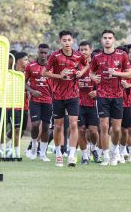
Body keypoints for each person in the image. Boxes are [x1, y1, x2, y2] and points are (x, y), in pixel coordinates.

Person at [43, 30, 89, 167]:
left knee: (74, 124)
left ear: (73, 41)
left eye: (69, 40)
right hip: (57, 96)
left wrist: (81, 72)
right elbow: (44, 72)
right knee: (58, 126)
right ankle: (58, 154)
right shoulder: (55, 56)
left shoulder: (79, 55)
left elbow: (87, 64)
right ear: (60, 42)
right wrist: (59, 75)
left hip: (73, 95)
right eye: (64, 40)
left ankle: (72, 154)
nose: (67, 43)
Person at [90, 30, 131, 166]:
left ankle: (115, 153)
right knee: (103, 127)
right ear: (101, 40)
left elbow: (129, 74)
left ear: (114, 40)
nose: (107, 40)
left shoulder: (122, 55)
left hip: (118, 96)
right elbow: (91, 71)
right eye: (105, 38)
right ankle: (106, 156)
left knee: (117, 129)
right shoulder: (97, 57)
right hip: (102, 95)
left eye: (110, 38)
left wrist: (116, 73)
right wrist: (93, 77)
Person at [25, 44, 52, 162]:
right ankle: (34, 146)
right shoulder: (30, 66)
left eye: (45, 53)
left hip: (48, 101)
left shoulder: (52, 67)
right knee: (35, 124)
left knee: (46, 127)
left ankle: (42, 154)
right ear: (38, 52)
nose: (43, 55)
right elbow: (23, 82)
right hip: (35, 101)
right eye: (41, 52)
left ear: (48, 53)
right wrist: (32, 91)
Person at [77, 41, 100, 164]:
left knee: (93, 131)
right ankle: (85, 156)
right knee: (81, 130)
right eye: (81, 49)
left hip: (93, 103)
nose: (83, 52)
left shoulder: (97, 65)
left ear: (91, 50)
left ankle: (94, 148)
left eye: (85, 49)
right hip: (79, 102)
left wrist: (97, 92)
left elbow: (105, 83)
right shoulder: (76, 65)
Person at [6, 52, 30, 158]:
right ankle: (15, 152)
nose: (28, 62)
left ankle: (8, 144)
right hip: (13, 105)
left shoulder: (27, 73)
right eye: (26, 59)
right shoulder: (10, 73)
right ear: (19, 60)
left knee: (21, 130)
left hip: (24, 105)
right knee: (16, 128)